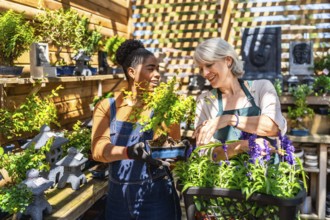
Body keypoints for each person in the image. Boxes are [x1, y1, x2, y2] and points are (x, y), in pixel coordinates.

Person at [91, 39, 182, 220]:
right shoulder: (108, 106)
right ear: (132, 72)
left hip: (157, 195)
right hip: (119, 197)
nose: (157, 74)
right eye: (151, 68)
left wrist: (175, 154)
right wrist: (128, 151)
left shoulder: (165, 107)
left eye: (158, 69)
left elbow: (174, 150)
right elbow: (98, 151)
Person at [192, 38, 287, 161]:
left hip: (267, 177)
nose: (204, 73)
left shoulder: (261, 88)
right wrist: (242, 147)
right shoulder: (205, 101)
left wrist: (228, 119)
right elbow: (205, 153)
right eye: (201, 68)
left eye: (209, 65)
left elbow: (274, 128)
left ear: (228, 61)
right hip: (226, 178)